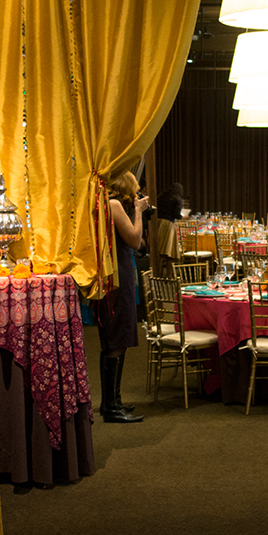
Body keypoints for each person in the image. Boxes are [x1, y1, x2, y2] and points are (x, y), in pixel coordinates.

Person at [94, 170, 148, 423]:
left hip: (113, 274)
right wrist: (137, 211)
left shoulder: (105, 203)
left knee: (114, 340)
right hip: (118, 275)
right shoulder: (113, 204)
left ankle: (111, 402)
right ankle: (112, 407)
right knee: (117, 339)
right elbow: (136, 240)